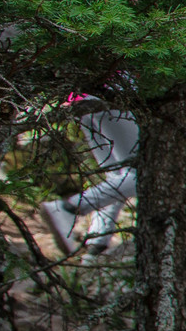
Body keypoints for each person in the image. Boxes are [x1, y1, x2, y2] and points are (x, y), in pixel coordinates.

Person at [39, 88, 137, 257]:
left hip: (84, 101)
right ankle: (69, 207)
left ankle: (97, 245)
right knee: (139, 175)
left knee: (117, 177)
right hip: (115, 96)